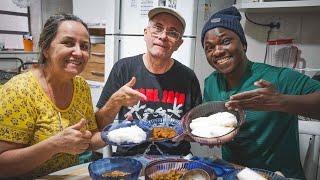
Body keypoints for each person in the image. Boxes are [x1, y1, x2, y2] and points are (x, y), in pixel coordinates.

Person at [201, 6, 320, 179]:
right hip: (234, 174)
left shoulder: (278, 78)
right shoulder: (211, 83)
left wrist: (281, 102)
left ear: (243, 44)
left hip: (279, 176)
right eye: (209, 47)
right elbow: (213, 128)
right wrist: (208, 136)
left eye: (225, 41)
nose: (217, 51)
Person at [0, 14, 105, 179]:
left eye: (84, 46)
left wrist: (115, 133)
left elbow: (89, 140)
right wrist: (55, 145)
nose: (78, 52)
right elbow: (3, 167)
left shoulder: (81, 86)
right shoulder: (19, 90)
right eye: (68, 43)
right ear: (45, 48)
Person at [96, 6, 202, 156]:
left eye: (172, 32)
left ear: (179, 43)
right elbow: (100, 125)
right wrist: (115, 102)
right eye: (158, 28)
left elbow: (195, 132)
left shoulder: (188, 77)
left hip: (174, 161)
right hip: (129, 161)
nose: (163, 36)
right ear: (145, 33)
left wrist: (195, 133)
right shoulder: (123, 68)